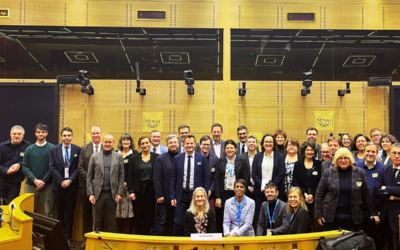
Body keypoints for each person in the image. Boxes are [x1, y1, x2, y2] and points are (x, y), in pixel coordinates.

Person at [315, 148, 379, 232]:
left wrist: (373, 213)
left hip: (353, 217)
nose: (343, 160)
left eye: (346, 158)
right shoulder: (328, 172)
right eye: (340, 158)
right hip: (330, 217)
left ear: (350, 159)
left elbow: (366, 194)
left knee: (351, 244)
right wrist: (318, 215)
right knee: (330, 244)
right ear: (336, 160)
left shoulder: (359, 172)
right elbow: (319, 195)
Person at [170, 135, 209, 236]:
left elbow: (206, 178)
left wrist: (204, 196)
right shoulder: (177, 158)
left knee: (196, 222)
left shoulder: (202, 158)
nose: (189, 145)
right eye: (187, 143)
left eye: (191, 143)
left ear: (195, 144)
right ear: (183, 144)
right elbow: (173, 178)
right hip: (181, 195)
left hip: (196, 196)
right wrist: (172, 196)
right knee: (178, 222)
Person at [49, 127, 81, 248]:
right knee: (59, 214)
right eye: (65, 135)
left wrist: (70, 180)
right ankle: (59, 239)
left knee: (70, 214)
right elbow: (52, 168)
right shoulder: (54, 150)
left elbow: (79, 167)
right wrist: (62, 181)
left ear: (72, 136)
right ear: (61, 137)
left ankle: (68, 238)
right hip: (58, 186)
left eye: (69, 135)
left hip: (72, 187)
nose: (67, 138)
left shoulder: (77, 149)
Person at [87, 134, 124, 233]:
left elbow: (121, 176)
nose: (107, 144)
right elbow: (89, 176)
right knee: (97, 222)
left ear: (113, 143)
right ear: (102, 142)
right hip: (98, 195)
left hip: (113, 195)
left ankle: (111, 245)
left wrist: (120, 193)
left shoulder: (118, 156)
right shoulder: (94, 156)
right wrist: (90, 193)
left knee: (112, 222)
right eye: (106, 142)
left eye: (110, 142)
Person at [356, 142, 386, 250]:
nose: (370, 153)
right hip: (359, 211)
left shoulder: (383, 168)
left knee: (375, 242)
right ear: (363, 152)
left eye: (373, 151)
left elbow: (385, 190)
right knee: (359, 242)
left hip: (376, 213)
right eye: (368, 151)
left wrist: (379, 210)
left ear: (377, 153)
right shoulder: (356, 167)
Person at [77, 125, 102, 248]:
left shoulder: (107, 147)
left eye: (97, 133)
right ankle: (86, 239)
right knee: (86, 214)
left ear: (101, 134)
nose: (95, 135)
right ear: (90, 135)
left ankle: (99, 239)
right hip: (85, 186)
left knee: (99, 214)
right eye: (93, 133)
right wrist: (90, 179)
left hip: (102, 187)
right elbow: (80, 167)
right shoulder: (84, 148)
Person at [215, 139, 248, 231]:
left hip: (237, 193)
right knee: (222, 218)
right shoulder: (219, 161)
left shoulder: (242, 160)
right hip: (223, 194)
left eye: (231, 148)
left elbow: (245, 177)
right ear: (225, 150)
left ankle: (236, 235)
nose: (229, 150)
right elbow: (216, 179)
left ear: (235, 149)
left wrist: (242, 192)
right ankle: (223, 237)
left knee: (237, 216)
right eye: (227, 148)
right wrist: (217, 197)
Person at [127, 136, 158, 235]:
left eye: (147, 143)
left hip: (151, 190)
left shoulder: (156, 157)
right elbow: (130, 174)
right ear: (140, 146)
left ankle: (147, 237)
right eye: (142, 143)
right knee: (138, 214)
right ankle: (139, 237)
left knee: (149, 215)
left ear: (150, 143)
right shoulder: (134, 158)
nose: (145, 145)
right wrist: (131, 191)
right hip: (137, 190)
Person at [22, 124, 53, 217]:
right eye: (38, 132)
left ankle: (47, 232)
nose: (40, 134)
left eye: (43, 132)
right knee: (29, 212)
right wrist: (35, 180)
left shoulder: (52, 148)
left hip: (47, 185)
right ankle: (30, 232)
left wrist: (43, 181)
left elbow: (53, 167)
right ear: (35, 133)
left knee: (48, 213)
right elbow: (25, 167)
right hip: (31, 185)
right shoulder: (29, 149)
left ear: (46, 133)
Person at [374, 143, 400, 250]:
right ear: (389, 154)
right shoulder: (384, 170)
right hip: (385, 216)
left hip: (399, 216)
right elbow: (376, 190)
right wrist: (392, 197)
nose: (397, 155)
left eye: (399, 153)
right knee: (388, 244)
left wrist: (385, 188)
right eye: (394, 153)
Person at [292, 141, 322, 232]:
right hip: (302, 197)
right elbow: (295, 181)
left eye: (312, 150)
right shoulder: (298, 164)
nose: (309, 152)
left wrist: (312, 195)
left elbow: (321, 182)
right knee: (303, 221)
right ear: (304, 151)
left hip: (316, 197)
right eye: (307, 150)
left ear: (315, 152)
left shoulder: (319, 164)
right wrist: (304, 194)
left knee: (316, 222)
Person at [153, 134, 180, 236]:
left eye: (175, 142)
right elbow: (157, 179)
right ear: (167, 144)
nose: (173, 145)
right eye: (171, 143)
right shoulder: (161, 159)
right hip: (164, 198)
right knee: (162, 222)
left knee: (177, 222)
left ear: (178, 144)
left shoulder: (182, 157)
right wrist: (159, 195)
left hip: (179, 198)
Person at [252, 134, 285, 213]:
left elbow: (281, 173)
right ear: (263, 143)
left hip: (276, 191)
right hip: (260, 192)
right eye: (266, 141)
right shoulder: (257, 156)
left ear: (274, 143)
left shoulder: (280, 156)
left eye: (270, 142)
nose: (268, 144)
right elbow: (254, 174)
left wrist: (270, 187)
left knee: (276, 214)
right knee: (261, 214)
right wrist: (263, 187)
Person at [0, 125, 31, 203]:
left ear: (23, 135)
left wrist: (19, 164)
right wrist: (6, 171)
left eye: (19, 134)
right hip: (1, 181)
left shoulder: (28, 146)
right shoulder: (2, 146)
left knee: (12, 206)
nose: (16, 136)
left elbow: (30, 161)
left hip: (15, 182)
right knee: (1, 207)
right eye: (14, 134)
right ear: (10, 134)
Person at [116, 134, 138, 234]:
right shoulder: (115, 153)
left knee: (129, 212)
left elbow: (134, 171)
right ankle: (118, 234)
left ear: (131, 142)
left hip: (130, 188)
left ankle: (128, 234)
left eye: (128, 140)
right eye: (123, 140)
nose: (125, 142)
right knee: (117, 212)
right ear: (120, 142)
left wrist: (126, 183)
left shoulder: (135, 153)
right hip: (116, 187)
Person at [198, 135, 218, 232]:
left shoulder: (215, 158)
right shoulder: (195, 157)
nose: (206, 146)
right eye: (204, 144)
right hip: (197, 194)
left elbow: (216, 177)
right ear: (200, 145)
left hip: (211, 194)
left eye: (208, 145)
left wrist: (210, 190)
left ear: (210, 146)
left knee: (212, 217)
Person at [239, 135, 257, 200]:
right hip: (245, 189)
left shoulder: (261, 156)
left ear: (256, 144)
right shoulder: (241, 157)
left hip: (259, 189)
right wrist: (246, 186)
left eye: (253, 142)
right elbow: (240, 174)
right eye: (249, 142)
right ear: (246, 144)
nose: (251, 143)